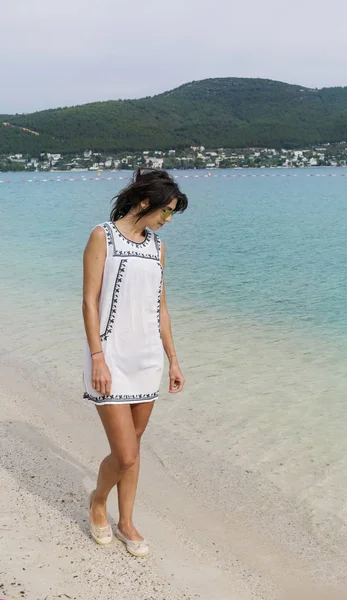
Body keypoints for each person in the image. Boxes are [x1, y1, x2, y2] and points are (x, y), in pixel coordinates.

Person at [82, 168, 188, 557]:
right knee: (124, 453)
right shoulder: (102, 237)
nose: (168, 219)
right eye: (167, 210)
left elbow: (160, 307)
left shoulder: (156, 247)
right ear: (146, 202)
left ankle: (126, 522)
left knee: (135, 447)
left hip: (147, 361)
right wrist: (97, 357)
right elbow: (89, 302)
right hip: (110, 359)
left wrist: (173, 360)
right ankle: (97, 501)